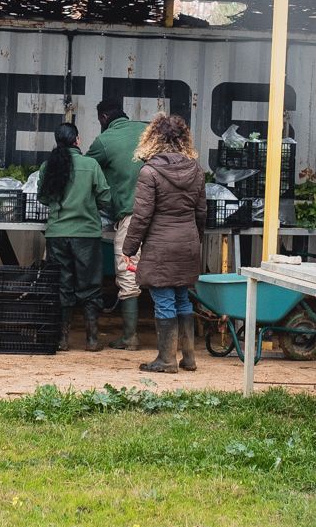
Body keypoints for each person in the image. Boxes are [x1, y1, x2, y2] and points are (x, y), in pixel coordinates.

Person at [119, 112, 204, 374]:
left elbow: (142, 216)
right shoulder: (196, 170)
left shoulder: (150, 172)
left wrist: (128, 249)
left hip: (160, 245)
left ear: (153, 139)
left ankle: (166, 360)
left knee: (164, 300)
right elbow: (202, 213)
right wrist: (193, 238)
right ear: (183, 140)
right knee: (183, 298)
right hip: (187, 242)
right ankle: (188, 358)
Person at [37, 121, 113, 350]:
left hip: (57, 234)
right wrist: (88, 205)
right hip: (86, 234)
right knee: (89, 285)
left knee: (62, 284)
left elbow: (42, 197)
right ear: (77, 140)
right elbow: (105, 198)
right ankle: (92, 339)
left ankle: (62, 339)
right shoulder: (90, 165)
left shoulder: (48, 166)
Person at [85, 99, 150, 346]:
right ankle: (171, 340)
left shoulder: (104, 141)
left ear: (103, 119)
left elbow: (85, 167)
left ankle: (130, 337)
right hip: (162, 216)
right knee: (167, 273)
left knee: (128, 271)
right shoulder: (146, 131)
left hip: (131, 214)